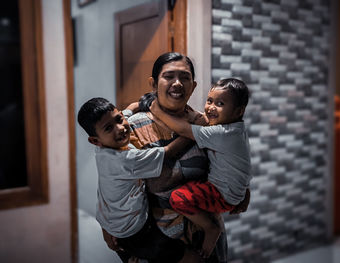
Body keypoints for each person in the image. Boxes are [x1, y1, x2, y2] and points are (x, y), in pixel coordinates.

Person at [102, 52, 250, 263]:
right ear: (153, 83)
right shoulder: (132, 127)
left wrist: (244, 189)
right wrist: (107, 222)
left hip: (204, 241)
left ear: (194, 85)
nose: (177, 83)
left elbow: (232, 160)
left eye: (185, 77)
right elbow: (112, 175)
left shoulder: (209, 123)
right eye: (169, 76)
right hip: (159, 242)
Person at [77, 97, 201, 263]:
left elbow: (130, 108)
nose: (120, 128)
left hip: (114, 222)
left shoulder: (104, 151)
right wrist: (195, 130)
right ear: (95, 141)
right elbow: (169, 151)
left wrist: (139, 104)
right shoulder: (125, 160)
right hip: (134, 232)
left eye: (119, 119)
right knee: (191, 258)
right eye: (108, 128)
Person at [149, 78, 252, 258]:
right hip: (233, 192)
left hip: (221, 194)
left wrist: (158, 111)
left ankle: (210, 228)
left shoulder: (222, 134)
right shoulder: (236, 130)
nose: (211, 107)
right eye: (209, 100)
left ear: (239, 111)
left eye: (220, 103)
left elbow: (184, 130)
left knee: (178, 198)